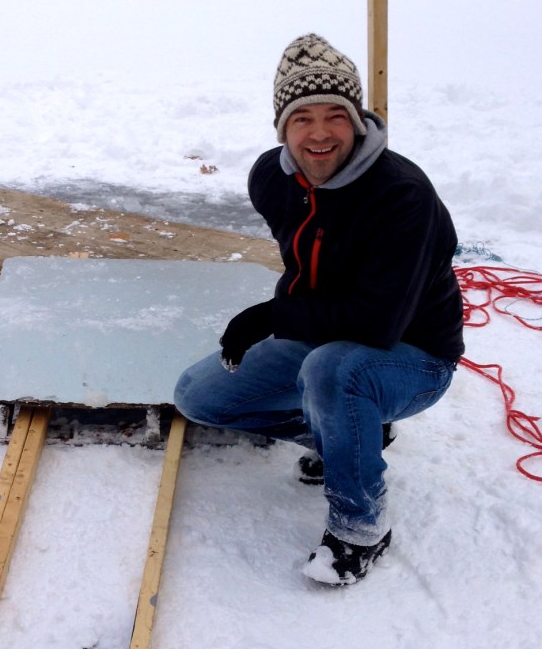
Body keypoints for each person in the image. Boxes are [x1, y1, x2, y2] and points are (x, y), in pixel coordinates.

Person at [174, 33, 464, 587]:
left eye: (336, 116)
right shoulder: (272, 178)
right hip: (330, 335)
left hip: (415, 356)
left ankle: (360, 527)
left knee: (333, 370)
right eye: (302, 118)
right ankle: (351, 439)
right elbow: (309, 258)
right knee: (199, 396)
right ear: (282, 128)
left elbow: (377, 324)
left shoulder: (402, 195)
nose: (320, 133)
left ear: (358, 122)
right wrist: (289, 311)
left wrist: (273, 315)